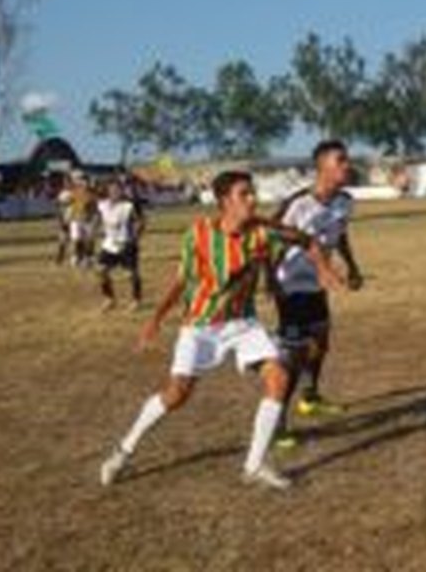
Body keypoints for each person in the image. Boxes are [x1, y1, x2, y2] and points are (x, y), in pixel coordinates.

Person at [98, 170, 341, 490]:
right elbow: (181, 281)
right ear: (225, 202)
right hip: (201, 326)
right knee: (176, 395)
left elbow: (306, 240)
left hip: (243, 323)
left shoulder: (262, 231)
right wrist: (155, 319)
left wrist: (324, 270)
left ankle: (254, 466)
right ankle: (123, 450)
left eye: (252, 192)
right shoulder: (198, 234)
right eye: (244, 194)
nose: (253, 199)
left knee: (279, 377)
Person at [272, 140, 364, 445]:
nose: (346, 165)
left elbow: (340, 235)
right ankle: (277, 423)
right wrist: (270, 282)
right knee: (293, 356)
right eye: (340, 160)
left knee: (321, 343)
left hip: (316, 285)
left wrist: (351, 266)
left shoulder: (345, 201)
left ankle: (309, 398)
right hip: (291, 287)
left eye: (346, 159)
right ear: (321, 166)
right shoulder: (297, 204)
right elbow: (268, 242)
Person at [97, 179, 146, 311]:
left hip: (126, 244)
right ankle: (109, 299)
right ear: (107, 191)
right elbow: (98, 218)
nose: (115, 192)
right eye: (112, 190)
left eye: (118, 189)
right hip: (109, 244)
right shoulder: (102, 205)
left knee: (131, 274)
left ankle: (136, 300)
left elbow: (141, 222)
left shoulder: (128, 206)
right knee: (101, 270)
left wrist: (135, 238)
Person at [66, 173, 97, 268]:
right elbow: (68, 204)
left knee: (89, 240)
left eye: (86, 181)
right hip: (76, 219)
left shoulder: (92, 193)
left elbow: (95, 207)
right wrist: (68, 217)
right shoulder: (74, 192)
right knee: (76, 240)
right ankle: (76, 257)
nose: (84, 183)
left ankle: (88, 258)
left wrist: (94, 218)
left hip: (88, 220)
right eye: (82, 181)